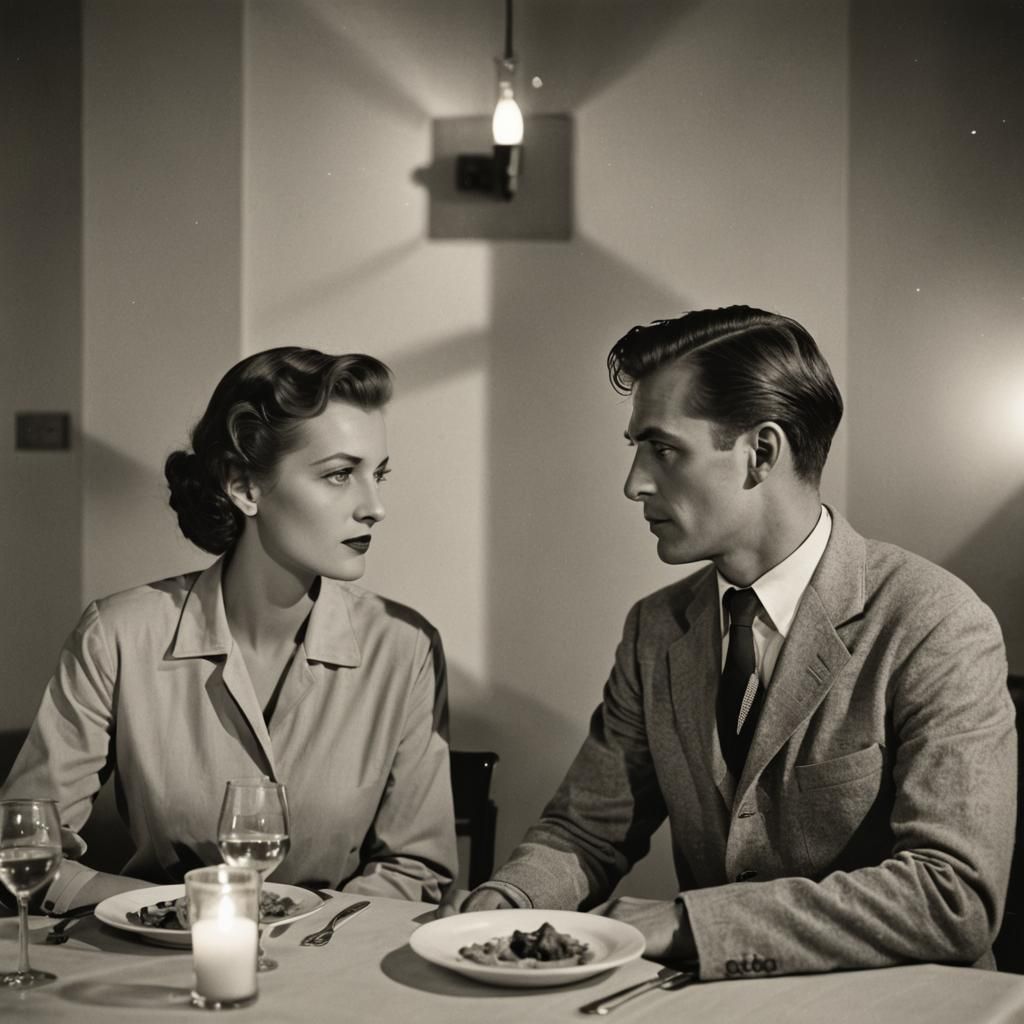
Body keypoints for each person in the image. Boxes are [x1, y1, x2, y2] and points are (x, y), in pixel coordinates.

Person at [448, 305, 1016, 979]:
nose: (634, 483)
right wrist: (501, 906)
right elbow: (585, 831)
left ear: (762, 453)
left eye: (662, 449)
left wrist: (692, 922)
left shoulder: (935, 623)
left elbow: (953, 896)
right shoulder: (654, 630)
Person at [2, 348, 456, 913]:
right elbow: (22, 849)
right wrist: (193, 910)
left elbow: (415, 866)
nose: (374, 507)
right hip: (152, 964)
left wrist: (297, 932)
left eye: (378, 474)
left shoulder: (405, 648)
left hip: (329, 965)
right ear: (244, 487)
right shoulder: (117, 636)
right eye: (340, 474)